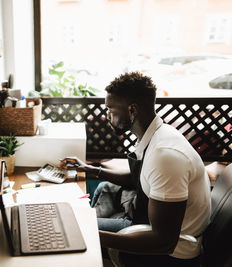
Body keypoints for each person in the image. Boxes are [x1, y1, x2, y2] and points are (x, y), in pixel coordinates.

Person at [59, 72, 211, 266]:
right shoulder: (155, 134)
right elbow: (138, 177)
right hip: (154, 227)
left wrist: (88, 234)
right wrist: (90, 169)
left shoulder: (165, 155)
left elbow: (163, 242)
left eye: (110, 109)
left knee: (73, 229)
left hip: (173, 254)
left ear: (132, 110)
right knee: (99, 192)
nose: (107, 116)